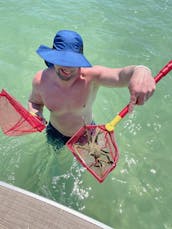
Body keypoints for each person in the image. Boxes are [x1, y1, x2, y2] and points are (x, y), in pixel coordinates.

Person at [28, 30, 155, 147]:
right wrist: (35, 113)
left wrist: (141, 70)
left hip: (86, 135)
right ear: (53, 58)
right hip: (54, 132)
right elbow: (35, 102)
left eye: (72, 61)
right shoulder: (40, 80)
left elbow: (120, 75)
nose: (67, 67)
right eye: (62, 60)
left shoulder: (91, 77)